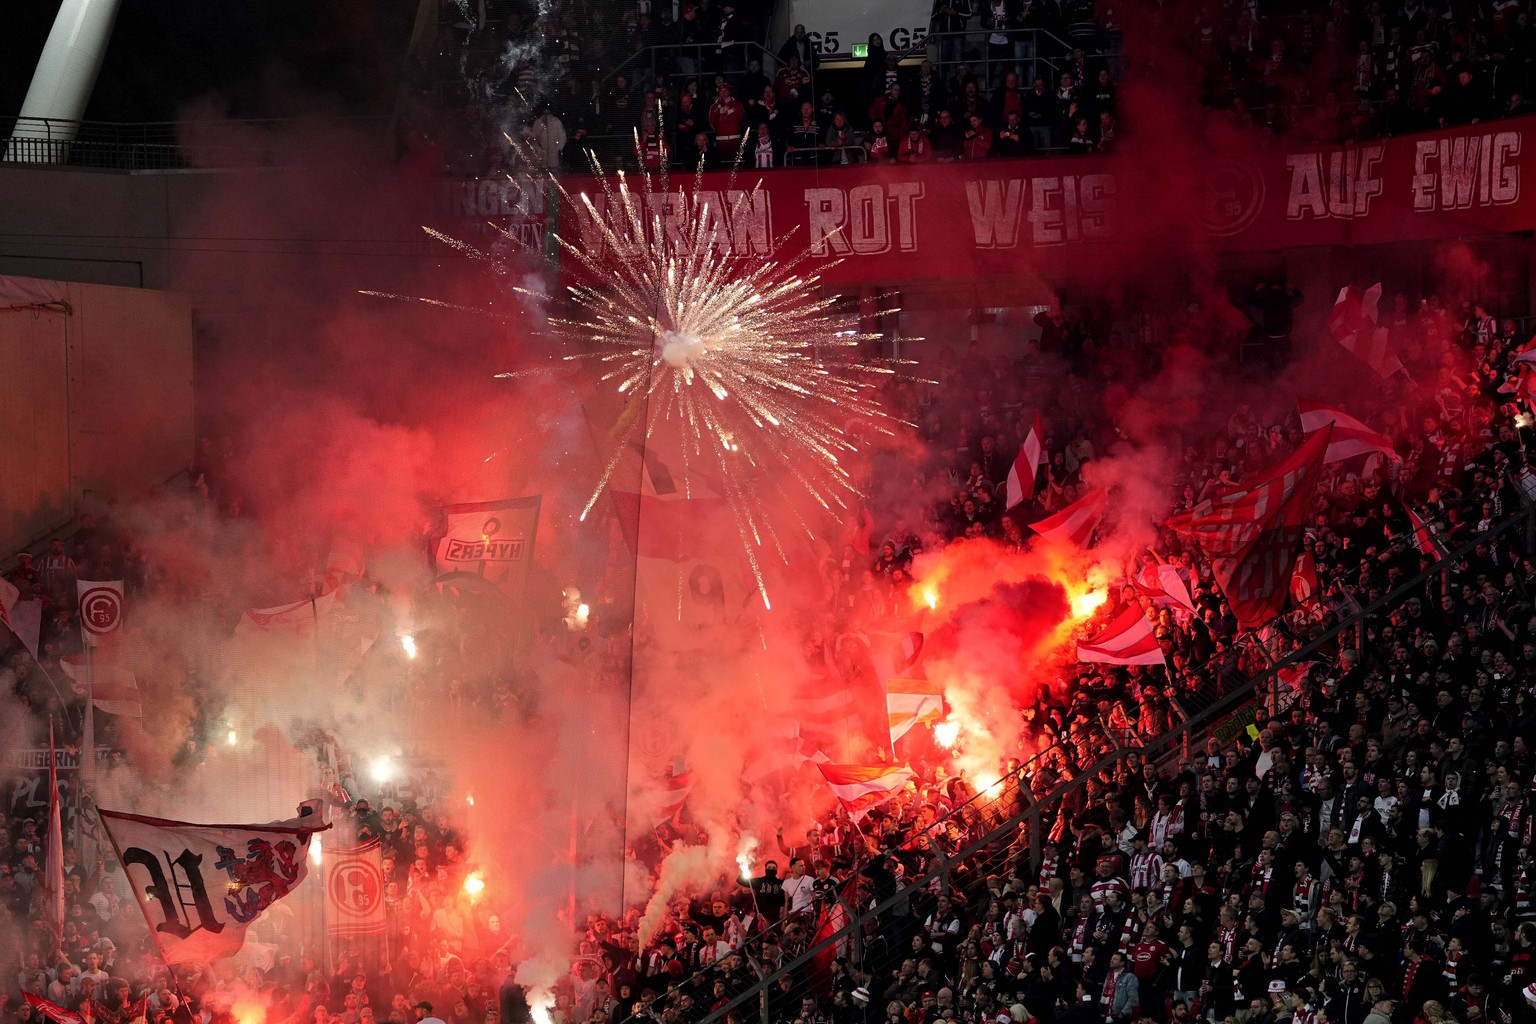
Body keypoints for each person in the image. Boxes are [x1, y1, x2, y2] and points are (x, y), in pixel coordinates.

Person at [525, 105, 567, 171]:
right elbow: (533, 136)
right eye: (544, 113)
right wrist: (542, 125)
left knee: (554, 172)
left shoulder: (556, 122)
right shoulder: (538, 122)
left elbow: (563, 137)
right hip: (541, 154)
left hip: (553, 154)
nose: (546, 115)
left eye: (548, 113)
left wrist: (559, 149)